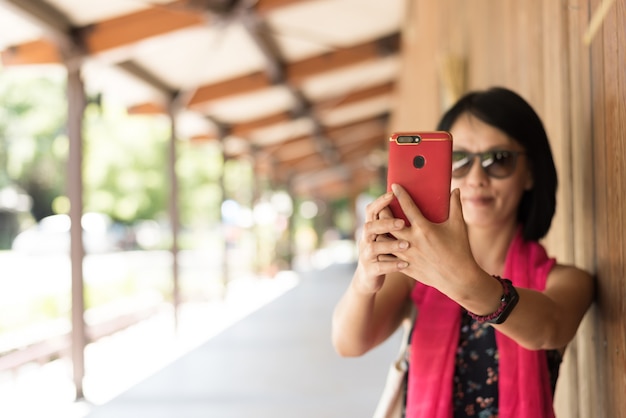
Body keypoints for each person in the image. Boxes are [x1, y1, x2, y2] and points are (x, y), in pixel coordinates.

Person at [331, 87, 594, 417]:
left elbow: (549, 329)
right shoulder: (414, 277)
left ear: (529, 173)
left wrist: (458, 278)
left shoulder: (567, 281)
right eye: (459, 160)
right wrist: (365, 280)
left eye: (498, 160)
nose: (476, 177)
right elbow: (348, 343)